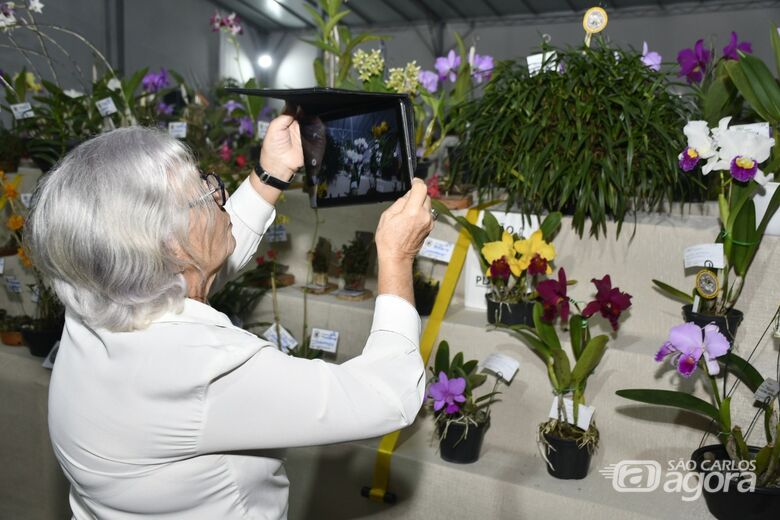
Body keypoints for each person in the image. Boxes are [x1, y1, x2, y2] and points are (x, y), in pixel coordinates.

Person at [26, 115, 435, 519]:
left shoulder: (95, 300)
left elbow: (196, 265)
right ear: (167, 245)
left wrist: (271, 173)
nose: (217, 191)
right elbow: (388, 396)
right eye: (204, 191)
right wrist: (397, 257)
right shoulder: (199, 368)